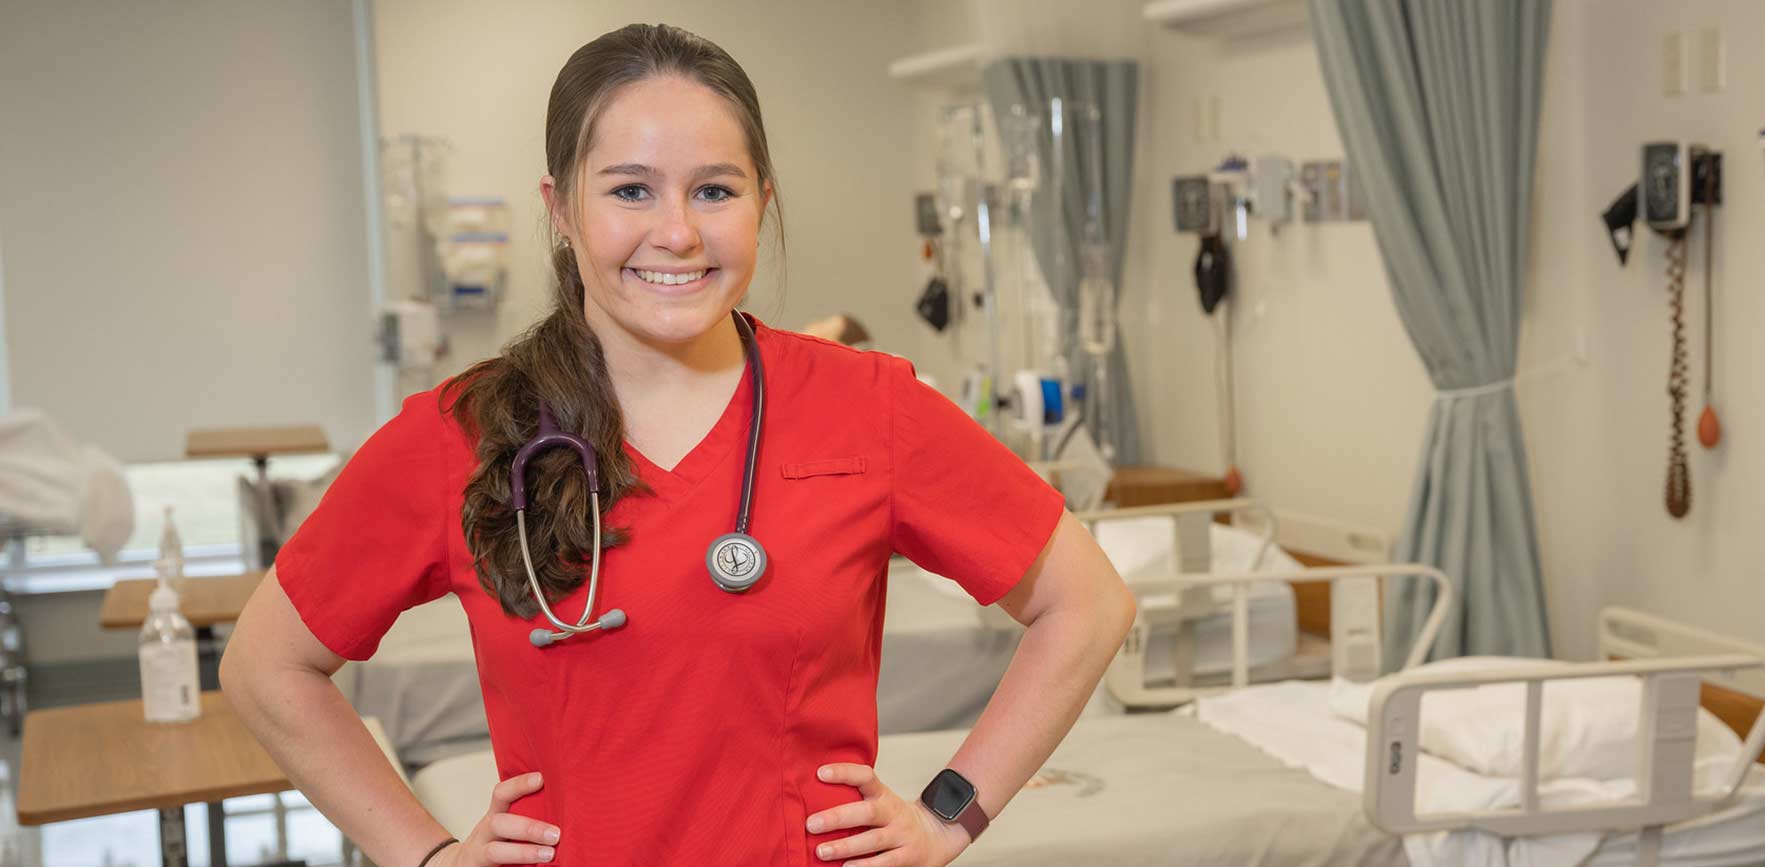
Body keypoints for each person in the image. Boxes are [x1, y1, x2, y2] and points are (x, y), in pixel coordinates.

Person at [221, 22, 1134, 867]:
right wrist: (429, 855)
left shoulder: (866, 404)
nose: (678, 233)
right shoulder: (465, 431)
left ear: (761, 200)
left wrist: (945, 816)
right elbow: (267, 666)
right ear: (561, 208)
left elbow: (1085, 603)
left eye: (714, 190)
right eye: (630, 189)